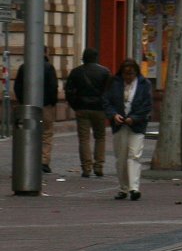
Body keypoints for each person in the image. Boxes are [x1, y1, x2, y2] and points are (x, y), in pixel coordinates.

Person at [103, 57, 152, 201]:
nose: (128, 78)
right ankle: (123, 188)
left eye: (131, 74)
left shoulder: (144, 84)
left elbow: (147, 105)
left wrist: (134, 118)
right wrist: (114, 115)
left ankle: (134, 188)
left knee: (134, 155)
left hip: (137, 125)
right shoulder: (114, 83)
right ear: (122, 73)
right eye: (126, 74)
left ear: (136, 73)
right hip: (119, 125)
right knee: (121, 157)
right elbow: (106, 101)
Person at [64, 48, 111, 178]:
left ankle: (86, 167)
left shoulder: (76, 72)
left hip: (82, 108)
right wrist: (106, 106)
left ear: (83, 58)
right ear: (96, 58)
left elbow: (69, 91)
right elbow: (109, 91)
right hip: (99, 109)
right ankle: (99, 166)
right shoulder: (105, 72)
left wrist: (75, 105)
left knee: (84, 138)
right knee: (100, 137)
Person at [14, 52, 59, 173]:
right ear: (45, 53)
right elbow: (53, 87)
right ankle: (44, 161)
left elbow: (17, 86)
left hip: (28, 107)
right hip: (45, 106)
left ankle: (28, 159)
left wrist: (23, 101)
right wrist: (52, 102)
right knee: (46, 134)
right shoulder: (49, 67)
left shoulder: (24, 67)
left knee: (28, 133)